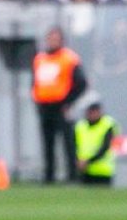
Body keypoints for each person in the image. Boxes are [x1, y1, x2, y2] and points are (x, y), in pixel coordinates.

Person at [32, 26, 87, 184]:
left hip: (62, 106)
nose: (52, 41)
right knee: (47, 142)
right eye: (50, 38)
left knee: (68, 142)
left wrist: (69, 102)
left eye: (55, 38)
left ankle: (72, 175)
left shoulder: (69, 58)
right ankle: (49, 176)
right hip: (44, 105)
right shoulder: (40, 58)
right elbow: (35, 82)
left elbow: (81, 83)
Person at [73, 100, 118, 186]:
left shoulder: (108, 125)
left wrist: (88, 161)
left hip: (103, 171)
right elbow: (74, 146)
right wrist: (78, 161)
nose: (92, 114)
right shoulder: (80, 126)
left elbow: (105, 148)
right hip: (84, 171)